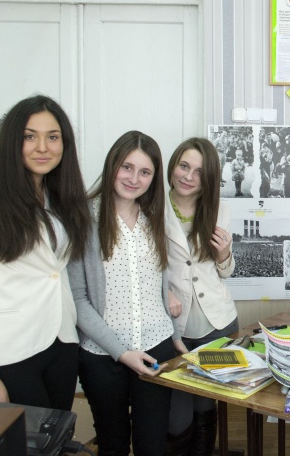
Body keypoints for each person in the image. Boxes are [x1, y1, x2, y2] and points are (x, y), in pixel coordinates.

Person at [0, 95, 90, 409]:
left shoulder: (60, 196)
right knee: (22, 436)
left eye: (53, 137)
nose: (42, 147)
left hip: (61, 343)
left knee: (58, 432)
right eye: (29, 136)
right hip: (8, 351)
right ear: (10, 141)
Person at [69, 131, 183, 456]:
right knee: (113, 444)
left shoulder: (154, 219)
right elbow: (78, 299)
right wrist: (121, 352)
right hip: (102, 355)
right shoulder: (83, 219)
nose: (134, 179)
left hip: (157, 347)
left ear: (154, 178)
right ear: (112, 166)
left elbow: (156, 284)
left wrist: (174, 336)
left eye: (145, 172)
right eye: (127, 167)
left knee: (153, 445)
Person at [164, 138, 237, 455]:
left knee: (206, 406)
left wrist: (224, 255)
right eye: (184, 166)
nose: (189, 176)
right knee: (176, 413)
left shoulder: (219, 210)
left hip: (217, 323)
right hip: (172, 324)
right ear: (173, 165)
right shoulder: (151, 207)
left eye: (199, 172)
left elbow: (225, 272)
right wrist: (164, 291)